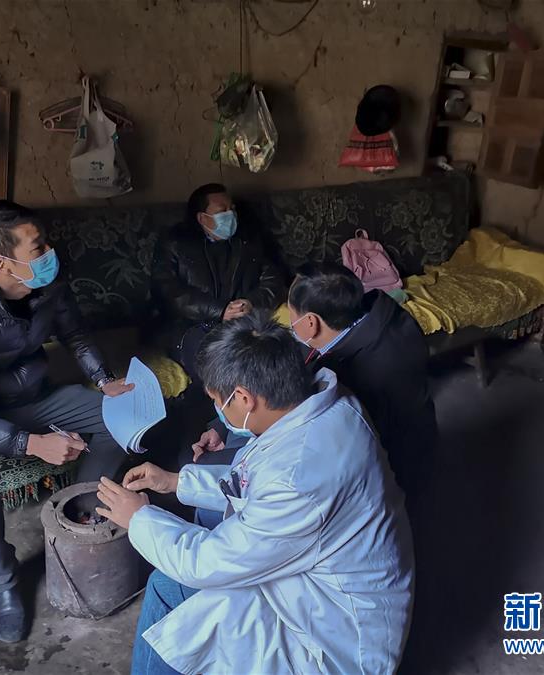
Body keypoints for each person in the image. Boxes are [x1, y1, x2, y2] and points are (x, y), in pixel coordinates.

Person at [95, 314, 414, 674]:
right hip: (326, 580)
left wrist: (140, 518)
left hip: (333, 638)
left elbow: (204, 563)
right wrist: (175, 482)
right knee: (184, 568)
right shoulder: (327, 404)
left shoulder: (298, 479)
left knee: (174, 594)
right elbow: (254, 482)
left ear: (244, 398)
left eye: (218, 401)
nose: (218, 410)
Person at [0, 200, 132, 644]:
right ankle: (1, 581)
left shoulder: (46, 283)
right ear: (2, 263)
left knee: (121, 417)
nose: (50, 252)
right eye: (38, 247)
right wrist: (31, 443)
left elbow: (75, 333)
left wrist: (103, 379)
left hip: (34, 395)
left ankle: (82, 510)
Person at [288, 262, 437, 503]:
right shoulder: (387, 316)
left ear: (310, 322)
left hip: (394, 468)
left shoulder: (353, 376)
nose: (290, 322)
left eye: (291, 314)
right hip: (421, 432)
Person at [151, 183, 285, 380]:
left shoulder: (249, 239)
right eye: (222, 211)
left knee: (274, 353)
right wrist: (220, 311)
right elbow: (167, 290)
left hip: (246, 320)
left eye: (232, 209)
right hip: (193, 325)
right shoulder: (175, 243)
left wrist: (251, 303)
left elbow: (273, 280)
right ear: (201, 218)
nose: (230, 215)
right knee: (218, 363)